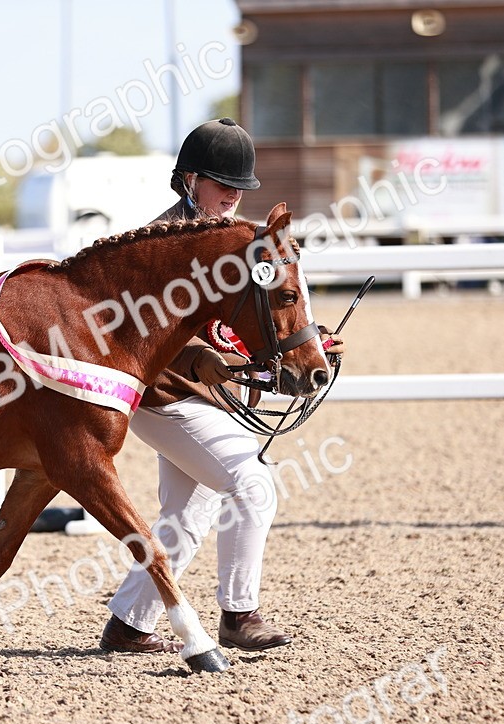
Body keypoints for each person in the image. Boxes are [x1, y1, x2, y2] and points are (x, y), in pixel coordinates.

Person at [99, 118, 345, 654]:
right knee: (253, 486)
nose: (234, 196)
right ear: (189, 180)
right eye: (222, 184)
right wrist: (195, 354)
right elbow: (135, 328)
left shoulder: (242, 244)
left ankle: (128, 625)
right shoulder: (157, 245)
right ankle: (239, 615)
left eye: (240, 187)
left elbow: (258, 317)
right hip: (164, 396)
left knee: (189, 516)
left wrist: (309, 344)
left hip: (205, 395)